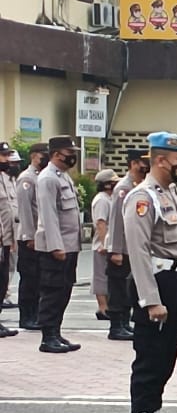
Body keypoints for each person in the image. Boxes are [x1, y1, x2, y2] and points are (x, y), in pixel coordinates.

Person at [124, 132, 177, 413]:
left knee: (166, 357)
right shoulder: (142, 198)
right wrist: (151, 300)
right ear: (160, 160)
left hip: (176, 280)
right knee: (151, 359)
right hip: (157, 282)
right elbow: (138, 251)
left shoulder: (170, 194)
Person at [33, 137, 83, 354]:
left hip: (69, 245)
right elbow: (48, 215)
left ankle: (56, 331)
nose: (72, 156)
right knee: (52, 291)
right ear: (56, 154)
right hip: (56, 247)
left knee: (64, 291)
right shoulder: (48, 178)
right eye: (69, 153)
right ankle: (48, 336)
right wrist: (56, 246)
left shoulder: (62, 176)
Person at [105, 151, 150, 342]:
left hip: (132, 248)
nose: (146, 166)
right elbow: (116, 221)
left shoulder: (139, 186)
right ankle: (116, 326)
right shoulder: (123, 188)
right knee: (118, 288)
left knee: (128, 288)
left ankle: (124, 323)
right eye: (143, 163)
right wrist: (116, 249)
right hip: (121, 248)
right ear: (133, 164)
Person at [14, 143, 47, 331]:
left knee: (39, 279)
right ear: (34, 156)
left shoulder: (41, 176)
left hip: (40, 236)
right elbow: (25, 210)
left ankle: (36, 314)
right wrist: (29, 236)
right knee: (29, 279)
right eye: (43, 155)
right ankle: (26, 316)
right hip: (29, 237)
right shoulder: (27, 178)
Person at [91, 170, 117, 320]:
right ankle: (102, 307)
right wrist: (104, 243)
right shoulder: (102, 200)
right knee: (101, 277)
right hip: (102, 245)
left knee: (107, 276)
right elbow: (101, 223)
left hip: (108, 242)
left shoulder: (109, 198)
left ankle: (107, 306)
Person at [0, 144, 18, 337]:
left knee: (3, 280)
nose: (7, 160)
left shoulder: (6, 179)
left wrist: (12, 239)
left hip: (5, 240)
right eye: (4, 155)